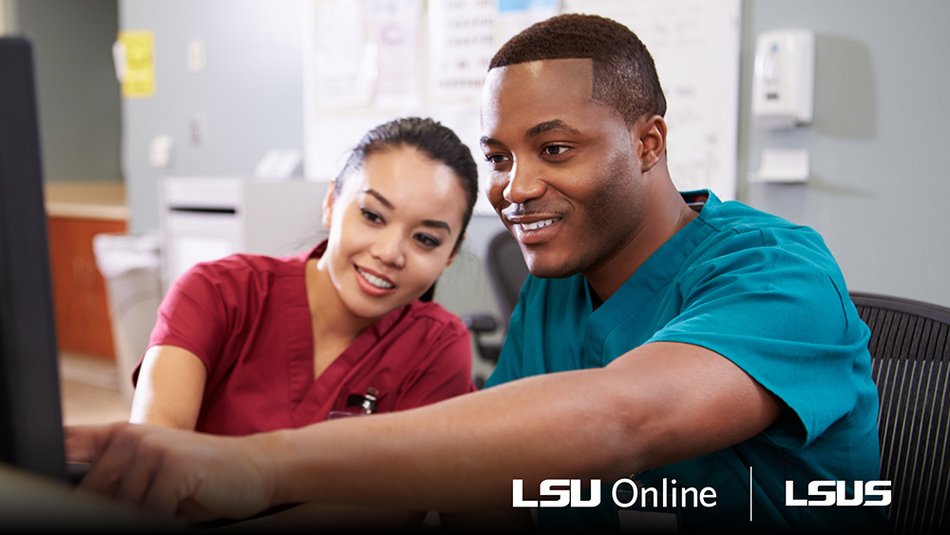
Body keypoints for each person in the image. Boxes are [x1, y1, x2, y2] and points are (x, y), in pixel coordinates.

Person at [67, 14, 884, 532]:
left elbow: (623, 416)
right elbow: (502, 487)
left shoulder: (779, 272)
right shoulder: (558, 287)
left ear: (648, 144)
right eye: (500, 156)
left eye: (554, 149)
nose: (516, 187)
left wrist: (258, 463)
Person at [129, 116, 479, 436]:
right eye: (372, 216)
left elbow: (393, 498)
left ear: (450, 254)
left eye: (426, 239)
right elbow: (155, 447)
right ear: (330, 202)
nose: (389, 252)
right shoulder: (218, 294)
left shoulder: (437, 347)